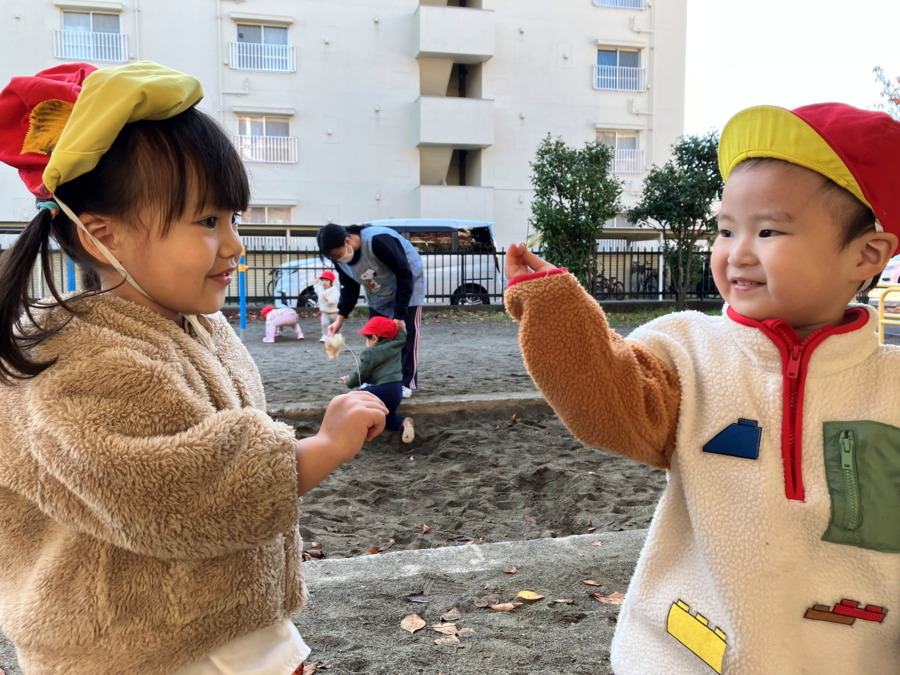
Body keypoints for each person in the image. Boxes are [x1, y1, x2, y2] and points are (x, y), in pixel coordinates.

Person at [0, 62, 387, 675]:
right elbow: (183, 492)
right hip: (137, 647)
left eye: (233, 219)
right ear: (102, 237)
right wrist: (323, 447)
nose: (234, 244)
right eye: (207, 222)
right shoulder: (77, 361)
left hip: (213, 617)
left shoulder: (194, 323)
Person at [504, 103, 900, 674]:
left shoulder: (889, 386)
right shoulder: (689, 350)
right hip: (688, 655)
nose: (737, 251)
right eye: (726, 229)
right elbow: (609, 405)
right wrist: (554, 307)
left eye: (768, 230)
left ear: (866, 255)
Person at [317, 222, 424, 398]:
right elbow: (349, 288)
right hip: (378, 290)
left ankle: (406, 383)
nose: (337, 259)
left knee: (406, 334)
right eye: (332, 257)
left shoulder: (378, 241)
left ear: (347, 241)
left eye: (337, 254)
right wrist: (339, 319)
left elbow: (403, 273)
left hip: (407, 282)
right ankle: (374, 379)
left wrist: (399, 315)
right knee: (375, 335)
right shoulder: (340, 261)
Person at [340, 316, 414, 444]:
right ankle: (402, 423)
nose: (366, 342)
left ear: (374, 338)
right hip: (396, 392)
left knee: (351, 399)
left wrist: (349, 381)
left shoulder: (370, 353)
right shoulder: (397, 344)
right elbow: (402, 334)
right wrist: (397, 325)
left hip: (382, 390)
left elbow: (361, 374)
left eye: (366, 339)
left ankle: (354, 430)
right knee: (387, 416)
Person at [314, 270, 340, 342]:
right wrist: (316, 283)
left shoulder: (334, 290)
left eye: (326, 280)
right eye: (322, 280)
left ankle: (336, 335)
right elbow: (317, 289)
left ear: (331, 282)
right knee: (324, 324)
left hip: (334, 311)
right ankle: (325, 336)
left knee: (335, 324)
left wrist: (327, 299)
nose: (324, 282)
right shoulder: (321, 288)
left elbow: (335, 300)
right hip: (325, 311)